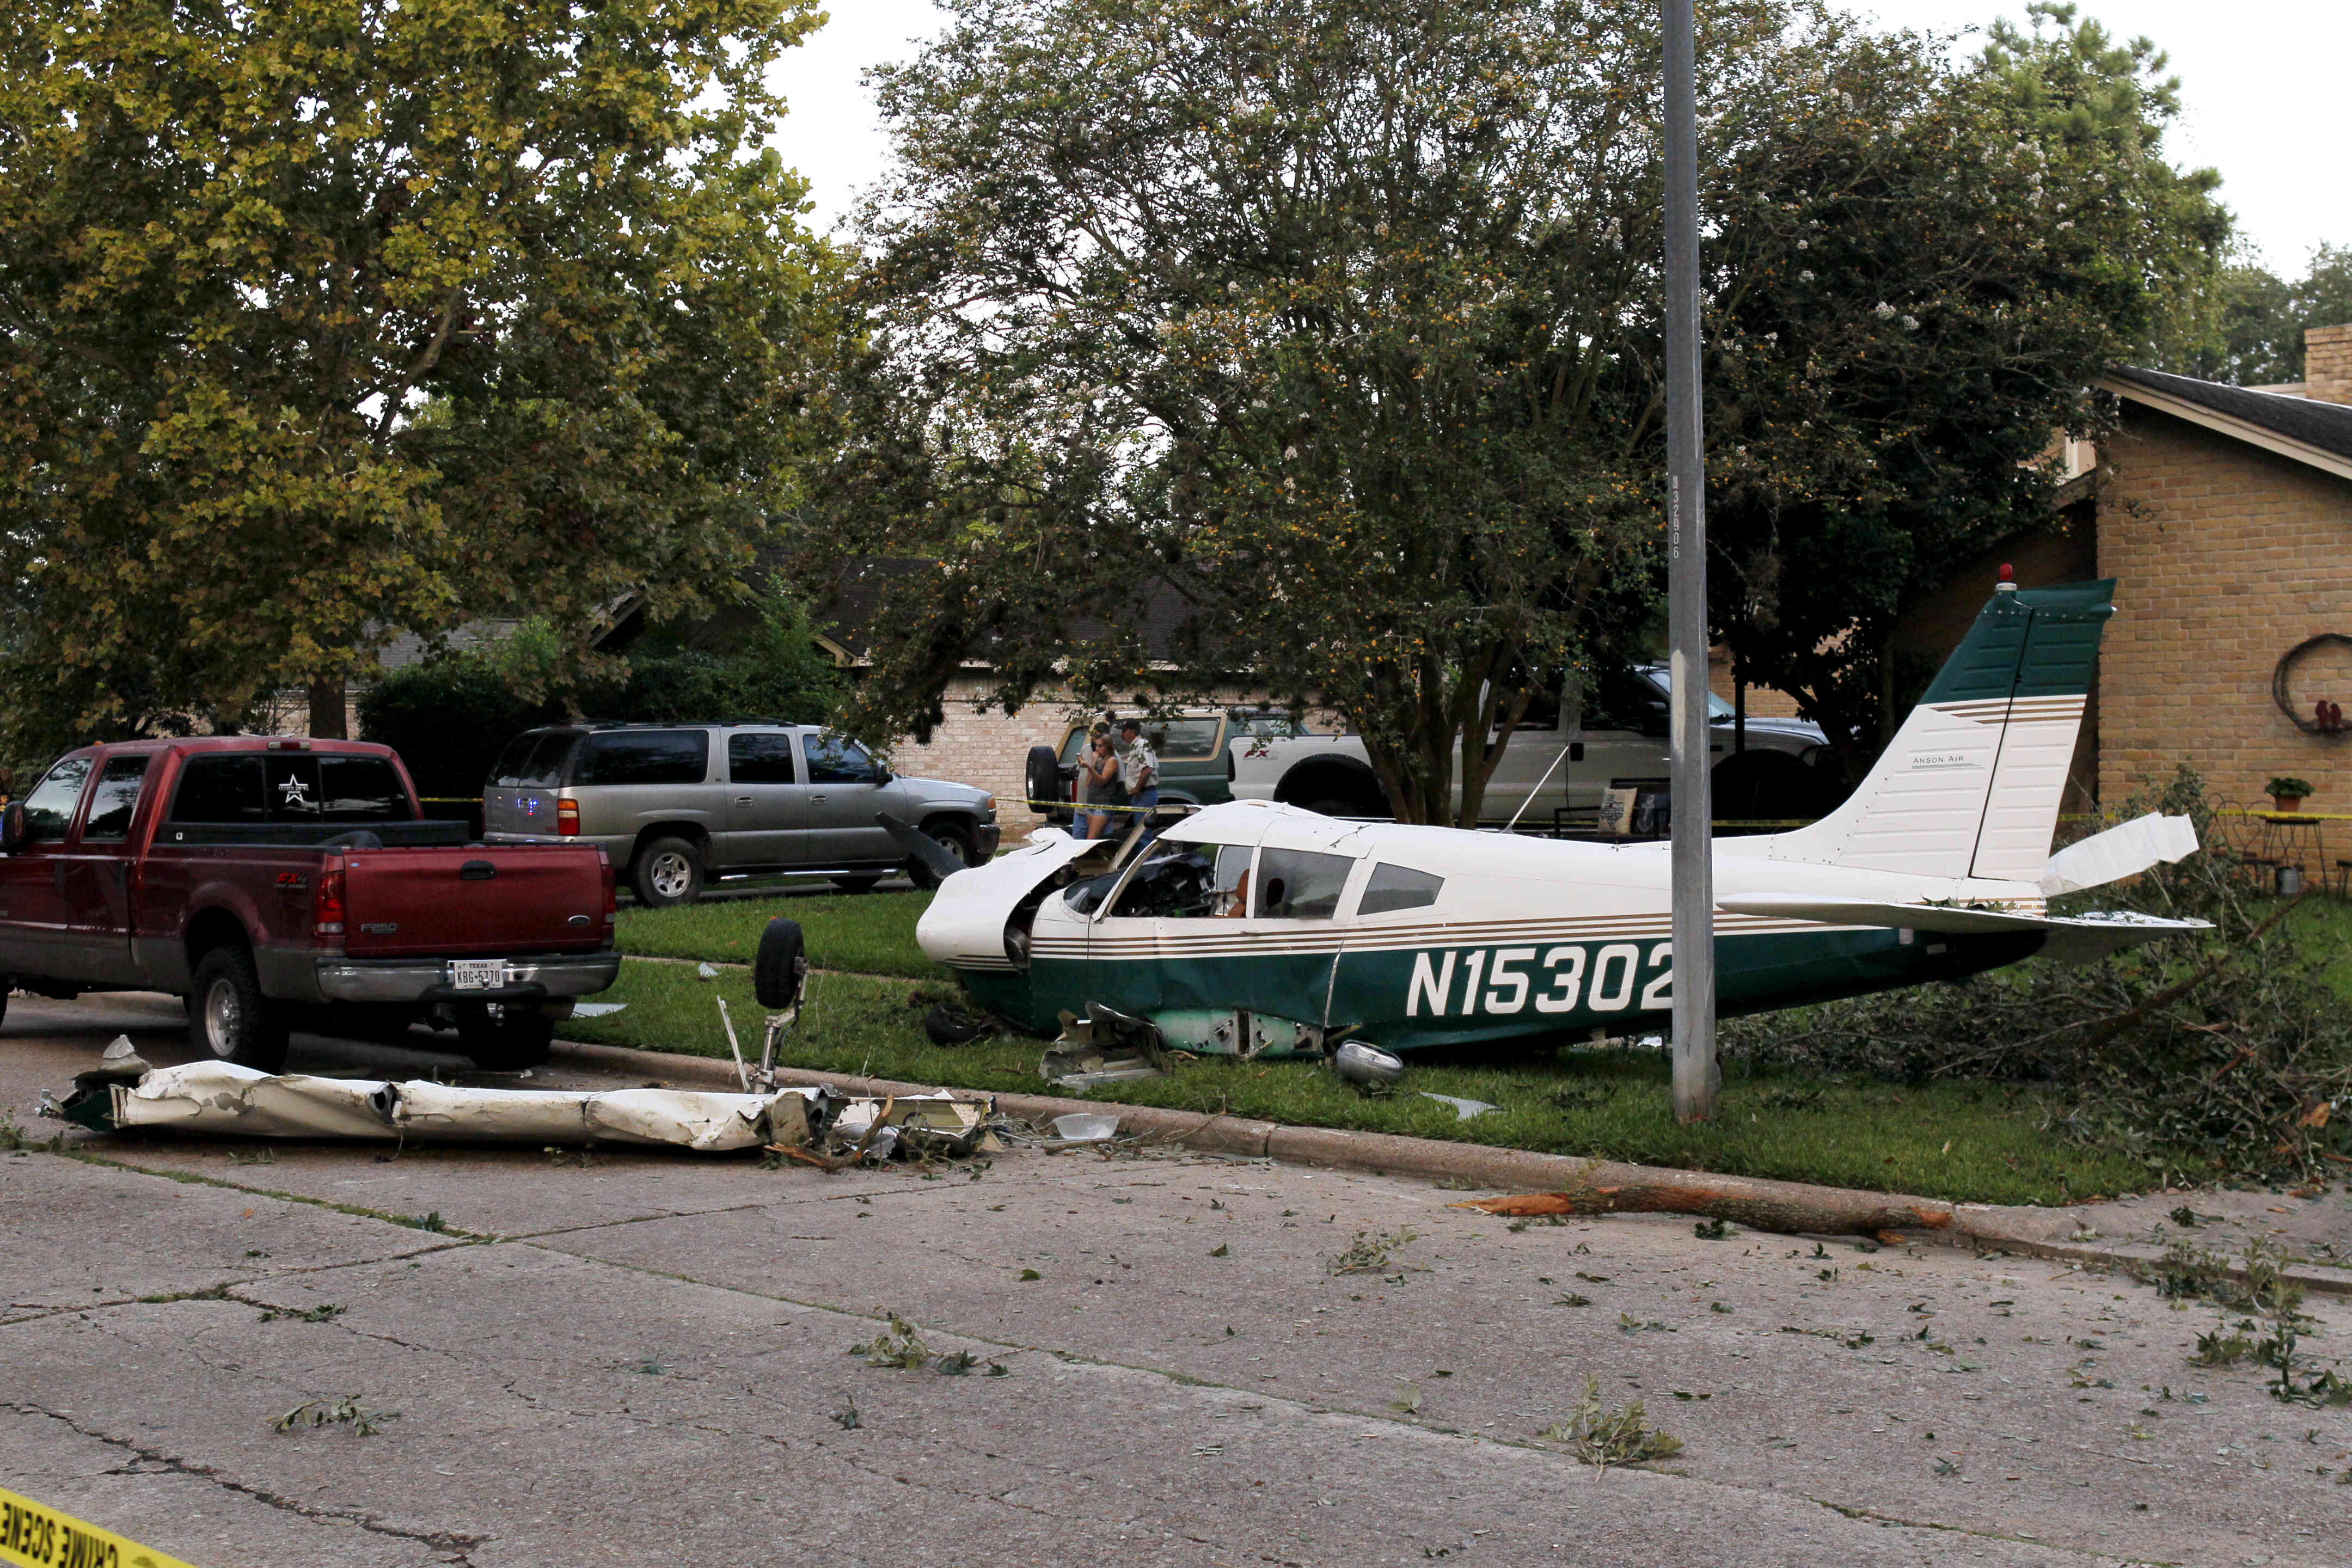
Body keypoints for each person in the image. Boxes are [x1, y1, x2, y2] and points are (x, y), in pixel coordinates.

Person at [1117, 718, 1160, 840]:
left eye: (1124, 731)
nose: (1123, 734)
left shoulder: (1142, 746)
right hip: (1141, 795)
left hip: (1144, 795)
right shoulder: (1135, 747)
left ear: (1132, 731)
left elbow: (1147, 770)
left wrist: (1137, 789)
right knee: (1140, 834)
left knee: (1144, 834)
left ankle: (1149, 859)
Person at [1077, 730, 1123, 839]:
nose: (1097, 749)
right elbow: (1088, 783)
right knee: (1098, 839)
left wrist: (1089, 767)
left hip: (1103, 805)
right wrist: (1093, 764)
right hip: (1092, 803)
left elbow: (1102, 781)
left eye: (1101, 746)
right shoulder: (1098, 761)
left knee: (1091, 839)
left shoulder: (1112, 761)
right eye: (1096, 746)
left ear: (1108, 747)